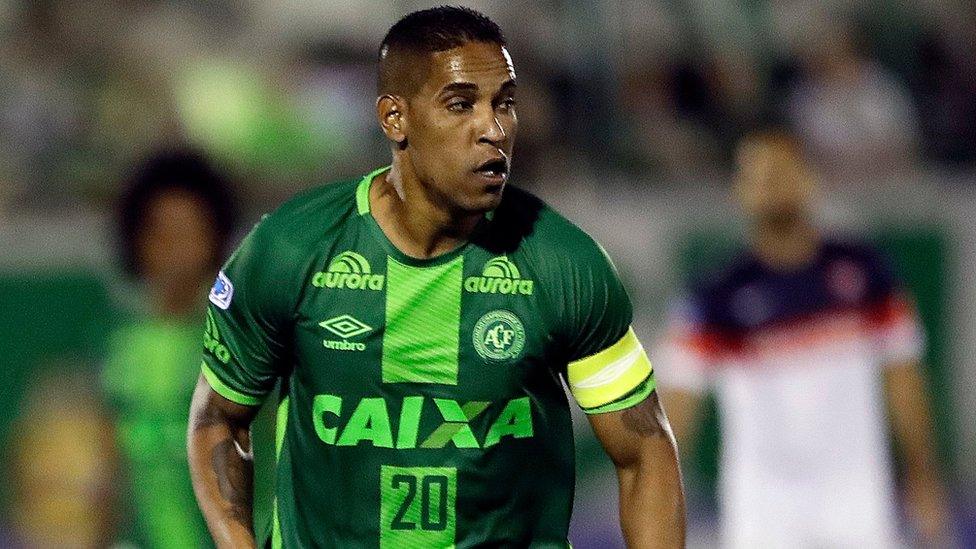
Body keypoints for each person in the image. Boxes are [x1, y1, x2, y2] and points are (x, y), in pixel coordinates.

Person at [188, 6, 685, 548]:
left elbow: (644, 453)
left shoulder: (562, 264)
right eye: (460, 104)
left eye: (506, 103)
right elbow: (219, 419)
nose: (494, 129)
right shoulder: (291, 251)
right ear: (394, 119)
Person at [657, 128, 950, 547]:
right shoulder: (713, 297)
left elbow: (904, 380)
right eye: (758, 175)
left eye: (783, 170)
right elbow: (672, 413)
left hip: (858, 503)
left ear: (810, 178)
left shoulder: (866, 273)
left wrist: (924, 476)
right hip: (763, 513)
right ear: (739, 192)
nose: (772, 184)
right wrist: (659, 505)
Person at [105, 150, 237, 548]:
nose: (176, 253)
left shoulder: (238, 343)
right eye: (162, 235)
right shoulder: (111, 344)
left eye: (190, 234)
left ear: (217, 239)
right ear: (136, 241)